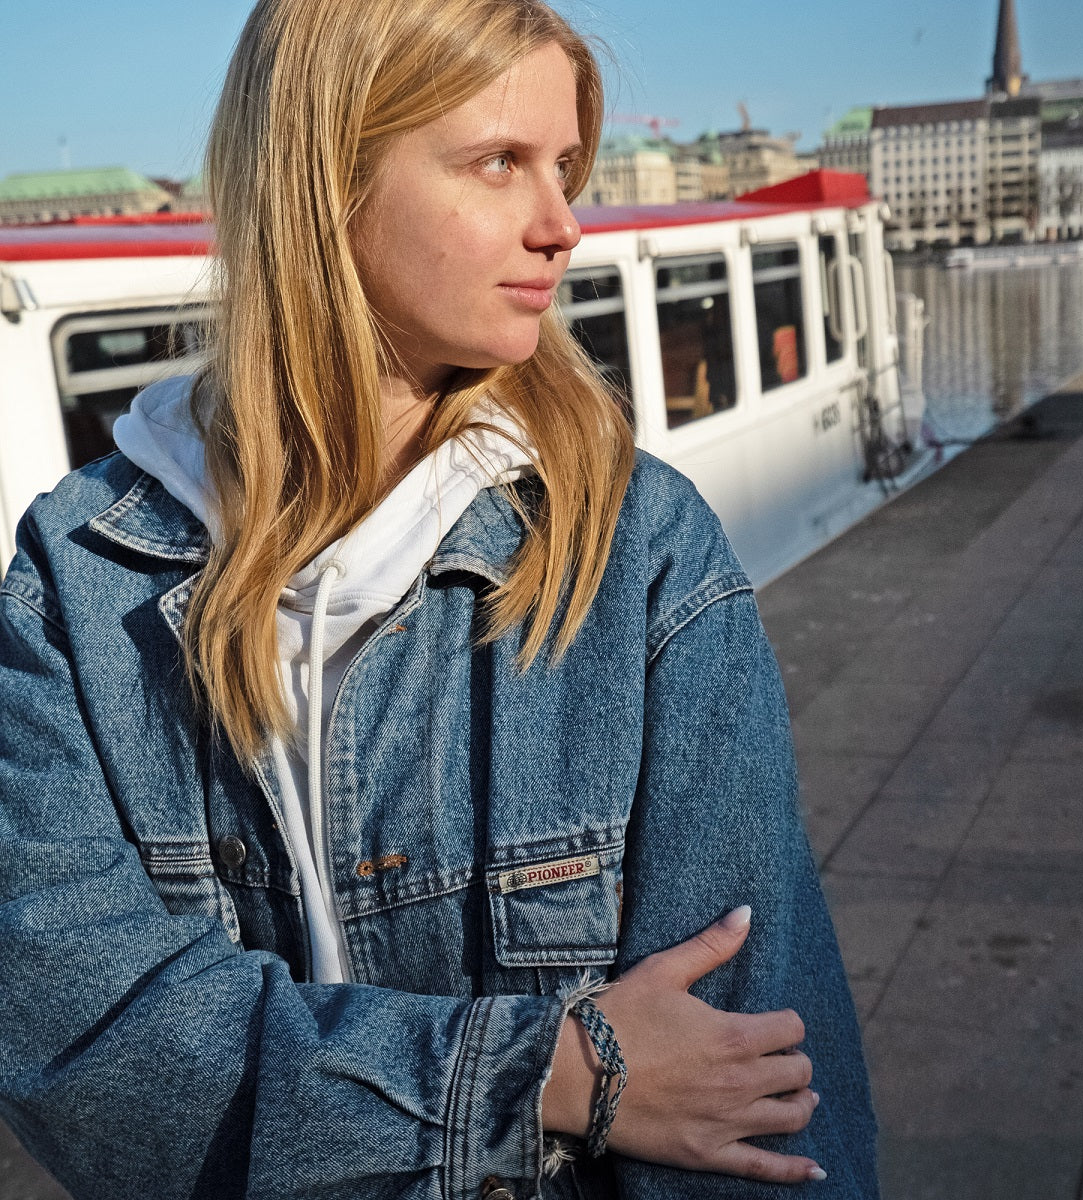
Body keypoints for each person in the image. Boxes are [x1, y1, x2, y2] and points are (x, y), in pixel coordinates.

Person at [0, 1, 879, 1197]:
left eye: (564, 165)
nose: (563, 224)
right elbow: (86, 1051)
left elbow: (751, 1106)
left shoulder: (635, 553)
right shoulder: (79, 578)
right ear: (325, 181)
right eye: (499, 162)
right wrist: (552, 1076)